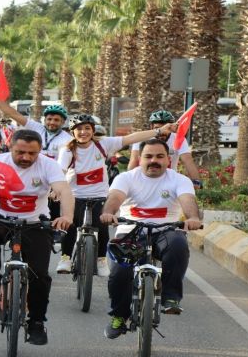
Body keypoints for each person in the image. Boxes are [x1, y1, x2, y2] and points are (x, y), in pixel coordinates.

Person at [0, 129, 75, 345]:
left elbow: (64, 191)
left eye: (32, 153)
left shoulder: (48, 165)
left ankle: (36, 322)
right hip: (0, 218)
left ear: (40, 151)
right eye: (20, 152)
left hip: (35, 222)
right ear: (10, 147)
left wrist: (67, 216)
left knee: (40, 275)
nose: (26, 157)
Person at [99, 139, 202, 339]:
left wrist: (193, 218)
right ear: (140, 159)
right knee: (120, 273)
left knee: (179, 245)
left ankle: (171, 298)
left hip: (167, 229)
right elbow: (114, 198)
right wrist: (109, 213)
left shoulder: (179, 180)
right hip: (131, 231)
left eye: (159, 156)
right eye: (148, 156)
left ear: (168, 160)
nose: (153, 160)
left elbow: (188, 201)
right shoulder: (126, 178)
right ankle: (119, 316)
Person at [55, 114, 178, 277]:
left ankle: (100, 259)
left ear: (93, 131)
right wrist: (56, 189)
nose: (83, 132)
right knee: (71, 225)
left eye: (87, 129)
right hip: (75, 195)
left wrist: (159, 131)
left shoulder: (103, 144)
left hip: (99, 195)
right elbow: (60, 171)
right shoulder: (68, 150)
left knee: (102, 225)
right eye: (79, 129)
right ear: (72, 132)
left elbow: (131, 138)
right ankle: (66, 257)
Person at [127, 110, 201, 187]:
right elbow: (134, 160)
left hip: (169, 181)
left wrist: (196, 181)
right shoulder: (142, 137)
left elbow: (188, 160)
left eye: (166, 128)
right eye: (157, 128)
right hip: (144, 180)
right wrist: (129, 181)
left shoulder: (178, 138)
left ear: (171, 127)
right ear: (151, 127)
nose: (162, 132)